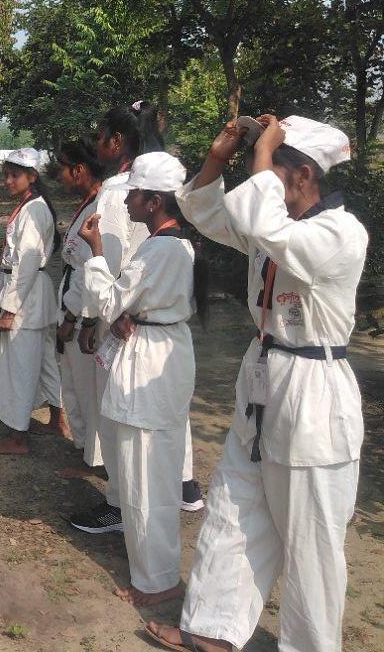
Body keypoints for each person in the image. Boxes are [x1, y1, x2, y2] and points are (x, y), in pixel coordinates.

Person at [146, 115, 367, 652]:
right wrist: (217, 158)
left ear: (303, 174)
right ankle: (213, 629)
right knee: (234, 503)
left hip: (313, 390)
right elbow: (209, 213)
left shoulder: (339, 233)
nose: (260, 176)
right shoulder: (276, 229)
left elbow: (267, 228)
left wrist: (263, 150)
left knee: (311, 539)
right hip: (264, 378)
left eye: (270, 167)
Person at [78, 151, 205, 608]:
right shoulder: (178, 246)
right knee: (154, 469)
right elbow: (130, 305)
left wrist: (96, 253)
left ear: (154, 201)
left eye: (134, 195)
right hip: (162, 350)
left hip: (150, 361)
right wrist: (126, 314)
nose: (127, 202)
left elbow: (109, 300)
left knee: (144, 473)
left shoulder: (159, 250)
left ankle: (156, 580)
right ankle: (155, 570)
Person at [69, 104, 202, 532]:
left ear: (117, 141)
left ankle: (120, 503)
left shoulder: (117, 192)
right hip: (151, 316)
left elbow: (109, 269)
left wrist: (90, 318)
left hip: (126, 317)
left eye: (100, 136)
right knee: (162, 418)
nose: (96, 144)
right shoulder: (174, 227)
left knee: (122, 423)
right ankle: (180, 485)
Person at [0, 148, 64, 455]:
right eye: (6, 175)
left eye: (14, 175)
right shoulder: (33, 205)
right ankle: (58, 418)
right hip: (33, 293)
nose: (8, 181)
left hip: (26, 295)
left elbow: (26, 264)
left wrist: (9, 308)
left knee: (18, 367)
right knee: (44, 362)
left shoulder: (33, 210)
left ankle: (17, 436)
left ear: (32, 177)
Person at [53, 139, 106, 475]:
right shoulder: (87, 205)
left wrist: (75, 318)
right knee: (72, 384)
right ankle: (84, 448)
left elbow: (89, 269)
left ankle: (95, 459)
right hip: (71, 298)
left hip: (82, 307)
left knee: (87, 389)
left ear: (79, 170)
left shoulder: (99, 207)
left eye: (63, 168)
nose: (60, 176)